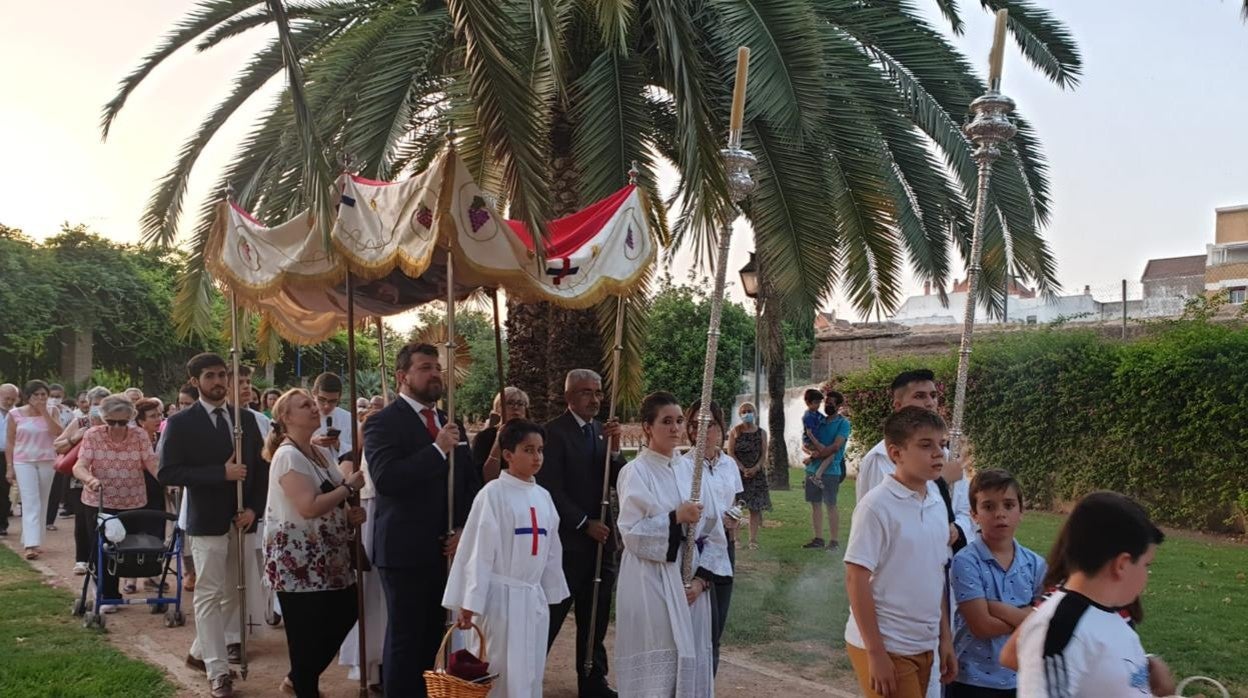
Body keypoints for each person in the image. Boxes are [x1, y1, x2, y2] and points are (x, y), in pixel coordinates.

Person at [366, 342, 479, 697]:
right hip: (403, 550)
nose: (435, 374)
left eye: (437, 368)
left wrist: (462, 527)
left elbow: (468, 482)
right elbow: (387, 479)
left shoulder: (450, 421)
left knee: (434, 635)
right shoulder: (382, 423)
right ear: (403, 376)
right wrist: (436, 449)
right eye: (425, 367)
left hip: (445, 549)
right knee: (406, 638)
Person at [159, 353, 267, 698]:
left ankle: (197, 652)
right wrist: (219, 474)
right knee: (209, 593)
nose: (219, 381)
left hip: (242, 520)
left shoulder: (247, 420)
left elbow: (261, 471)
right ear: (195, 381)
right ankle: (218, 671)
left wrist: (253, 509)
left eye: (223, 375)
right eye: (211, 376)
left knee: (235, 593)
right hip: (205, 521)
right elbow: (169, 473)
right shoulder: (181, 423)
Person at [444, 419, 570, 697]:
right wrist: (470, 602)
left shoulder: (543, 496)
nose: (537, 457)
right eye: (528, 450)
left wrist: (549, 592)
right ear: (508, 454)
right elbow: (480, 552)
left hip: (531, 597)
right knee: (498, 672)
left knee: (529, 671)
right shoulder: (492, 494)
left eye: (540, 450)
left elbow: (551, 550)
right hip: (499, 601)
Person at [844, 406, 957, 698]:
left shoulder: (935, 499)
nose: (938, 454)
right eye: (925, 445)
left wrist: (945, 639)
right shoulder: (876, 506)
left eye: (941, 445)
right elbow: (856, 579)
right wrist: (876, 653)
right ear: (896, 453)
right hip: (888, 644)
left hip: (923, 642)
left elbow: (936, 575)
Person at [262, 388, 366, 698]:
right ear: (286, 417)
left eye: (313, 403)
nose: (313, 408)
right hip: (299, 562)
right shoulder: (288, 455)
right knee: (306, 634)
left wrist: (348, 514)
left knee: (347, 609)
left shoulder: (318, 452)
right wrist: (348, 489)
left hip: (328, 556)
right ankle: (304, 684)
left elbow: (328, 497)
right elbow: (308, 506)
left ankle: (299, 678)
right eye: (304, 405)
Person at [614, 391, 720, 697]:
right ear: (648, 427)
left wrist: (702, 582)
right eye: (666, 421)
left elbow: (713, 531)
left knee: (691, 662)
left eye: (678, 421)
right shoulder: (635, 472)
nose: (675, 428)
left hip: (690, 587)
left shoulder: (691, 469)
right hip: (651, 582)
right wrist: (676, 517)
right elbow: (632, 533)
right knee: (659, 662)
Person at [1014, 491, 1168, 697]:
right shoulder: (1060, 628)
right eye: (1146, 565)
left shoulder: (1111, 614)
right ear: (1122, 564)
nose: (1146, 575)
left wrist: (1145, 666)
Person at [537, 369, 625, 698]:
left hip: (602, 543)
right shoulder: (553, 433)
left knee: (596, 616)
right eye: (586, 392)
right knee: (552, 614)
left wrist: (615, 451)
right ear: (569, 397)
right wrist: (583, 523)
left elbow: (620, 479)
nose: (595, 399)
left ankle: (592, 679)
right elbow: (551, 489)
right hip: (569, 544)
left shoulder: (604, 432)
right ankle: (528, 673)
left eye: (599, 392)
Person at [948, 470, 1045, 697]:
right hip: (972, 680)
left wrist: (997, 608)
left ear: (1021, 511)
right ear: (974, 514)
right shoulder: (966, 561)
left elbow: (1044, 623)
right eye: (989, 507)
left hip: (1020, 678)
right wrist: (1027, 617)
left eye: (1009, 505)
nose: (1000, 514)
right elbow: (981, 626)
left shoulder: (1035, 564)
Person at [72, 394, 160, 612]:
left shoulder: (139, 435)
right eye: (111, 422)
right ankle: (107, 593)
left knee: (127, 550)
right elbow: (79, 466)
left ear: (130, 418)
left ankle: (116, 588)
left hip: (133, 501)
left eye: (123, 422)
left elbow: (152, 463)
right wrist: (90, 479)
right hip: (99, 500)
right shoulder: (93, 435)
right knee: (102, 548)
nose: (118, 427)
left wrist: (169, 481)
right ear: (104, 419)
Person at [677, 400, 741, 676]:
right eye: (693, 425)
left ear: (720, 428)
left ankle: (707, 686)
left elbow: (736, 499)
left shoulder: (729, 465)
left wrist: (736, 518)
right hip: (695, 551)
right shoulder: (683, 466)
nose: (700, 431)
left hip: (724, 549)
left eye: (708, 425)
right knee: (693, 627)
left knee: (716, 629)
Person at [55, 386, 111, 575]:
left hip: (106, 479)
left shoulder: (115, 424)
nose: (99, 408)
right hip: (80, 479)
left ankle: (100, 560)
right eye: (95, 404)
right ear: (89, 405)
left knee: (102, 520)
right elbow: (58, 446)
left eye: (103, 404)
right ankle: (82, 559)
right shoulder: (80, 422)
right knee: (82, 519)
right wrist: (74, 439)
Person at [5, 380, 64, 559]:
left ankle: (36, 539)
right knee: (31, 501)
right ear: (28, 397)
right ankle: (31, 544)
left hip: (47, 459)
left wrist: (44, 412)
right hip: (24, 461)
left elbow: (58, 432)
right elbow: (10, 441)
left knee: (43, 500)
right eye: (36, 395)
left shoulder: (53, 411)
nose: (40, 398)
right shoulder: (15, 414)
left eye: (43, 395)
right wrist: (9, 466)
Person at [802, 390, 850, 551]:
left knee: (831, 504)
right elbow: (806, 441)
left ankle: (834, 541)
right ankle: (818, 538)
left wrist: (815, 455)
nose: (827, 405)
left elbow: (836, 446)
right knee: (815, 504)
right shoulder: (818, 420)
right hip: (812, 469)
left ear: (839, 405)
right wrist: (811, 453)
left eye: (831, 403)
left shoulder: (843, 424)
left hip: (831, 471)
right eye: (826, 402)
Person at [727, 402, 769, 550]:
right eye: (744, 411)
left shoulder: (762, 433)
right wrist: (742, 468)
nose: (747, 414)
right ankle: (736, 538)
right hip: (738, 474)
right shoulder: (735, 431)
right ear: (740, 414)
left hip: (756, 474)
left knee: (755, 508)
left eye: (749, 411)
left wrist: (756, 468)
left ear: (755, 413)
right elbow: (730, 453)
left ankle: (753, 540)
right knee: (737, 506)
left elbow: (764, 454)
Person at [472, 386, 530, 482]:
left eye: (520, 404)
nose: (515, 407)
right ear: (498, 408)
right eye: (510, 403)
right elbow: (484, 476)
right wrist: (498, 441)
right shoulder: (484, 437)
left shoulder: (532, 435)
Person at [311, 372, 353, 463]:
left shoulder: (349, 419)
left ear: (339, 398)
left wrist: (338, 445)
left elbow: (359, 449)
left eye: (332, 401)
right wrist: (312, 442)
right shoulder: (301, 416)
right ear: (314, 393)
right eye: (322, 400)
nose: (327, 406)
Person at [0, 383, 18, 538]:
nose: (9, 402)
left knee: (4, 490)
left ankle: (2, 524)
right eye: (6, 398)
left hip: (9, 456)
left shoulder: (18, 414)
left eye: (13, 399)